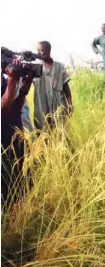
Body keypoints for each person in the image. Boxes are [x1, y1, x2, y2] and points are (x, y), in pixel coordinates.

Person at [1, 61, 33, 206]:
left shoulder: (5, 80)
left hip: (15, 138)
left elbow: (16, 107)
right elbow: (4, 109)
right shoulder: (10, 80)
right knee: (6, 187)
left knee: (21, 183)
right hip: (3, 144)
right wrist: (13, 80)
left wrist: (24, 90)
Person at [33, 41, 73, 131]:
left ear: (49, 50)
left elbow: (66, 87)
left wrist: (70, 104)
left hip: (58, 105)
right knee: (43, 132)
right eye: (37, 51)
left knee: (61, 131)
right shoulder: (35, 68)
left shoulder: (59, 67)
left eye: (41, 50)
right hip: (41, 106)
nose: (38, 53)